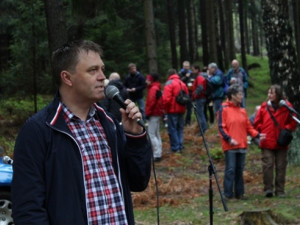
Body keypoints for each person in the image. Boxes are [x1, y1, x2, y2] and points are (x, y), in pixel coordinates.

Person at [11, 40, 152, 225]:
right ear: (67, 78)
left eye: (102, 69)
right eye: (92, 70)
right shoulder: (38, 130)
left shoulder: (109, 124)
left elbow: (138, 182)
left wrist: (134, 137)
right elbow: (28, 209)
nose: (102, 77)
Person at [218, 84, 265, 200]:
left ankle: (240, 193)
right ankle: (228, 194)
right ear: (233, 96)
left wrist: (258, 135)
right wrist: (229, 139)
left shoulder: (242, 110)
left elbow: (248, 127)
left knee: (239, 170)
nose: (242, 96)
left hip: (242, 145)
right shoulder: (223, 109)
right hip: (230, 146)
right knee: (230, 170)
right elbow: (221, 127)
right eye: (239, 94)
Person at [253, 84, 297, 198]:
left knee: (281, 166)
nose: (269, 95)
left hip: (281, 142)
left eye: (272, 93)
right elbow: (257, 122)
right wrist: (260, 131)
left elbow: (294, 120)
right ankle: (268, 189)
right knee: (268, 165)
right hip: (267, 141)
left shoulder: (286, 106)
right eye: (269, 93)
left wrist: (287, 128)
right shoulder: (264, 107)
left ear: (278, 94)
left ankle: (280, 190)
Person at [163, 68, 189, 153]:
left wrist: (165, 110)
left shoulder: (169, 83)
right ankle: (180, 145)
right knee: (180, 128)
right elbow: (187, 96)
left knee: (172, 128)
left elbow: (166, 99)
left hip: (172, 109)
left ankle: (175, 147)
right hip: (181, 109)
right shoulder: (182, 83)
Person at [145, 73, 163, 162]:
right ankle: (158, 152)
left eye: (147, 79)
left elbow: (151, 103)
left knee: (151, 134)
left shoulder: (153, 89)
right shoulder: (157, 88)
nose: (146, 81)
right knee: (156, 133)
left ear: (151, 80)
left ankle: (157, 154)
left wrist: (147, 113)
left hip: (153, 114)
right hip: (157, 113)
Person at [191, 65, 208, 134]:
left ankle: (203, 130)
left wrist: (194, 95)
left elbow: (200, 88)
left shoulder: (199, 77)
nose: (192, 72)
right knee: (201, 114)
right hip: (201, 98)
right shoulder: (199, 77)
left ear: (197, 70)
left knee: (200, 114)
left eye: (193, 70)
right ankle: (203, 129)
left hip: (200, 98)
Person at [179, 60, 194, 126]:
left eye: (187, 66)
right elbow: (179, 81)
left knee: (189, 108)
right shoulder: (180, 73)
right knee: (182, 108)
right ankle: (181, 121)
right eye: (185, 66)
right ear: (183, 66)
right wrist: (186, 77)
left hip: (190, 92)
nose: (186, 68)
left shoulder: (191, 73)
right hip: (182, 93)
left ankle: (188, 121)